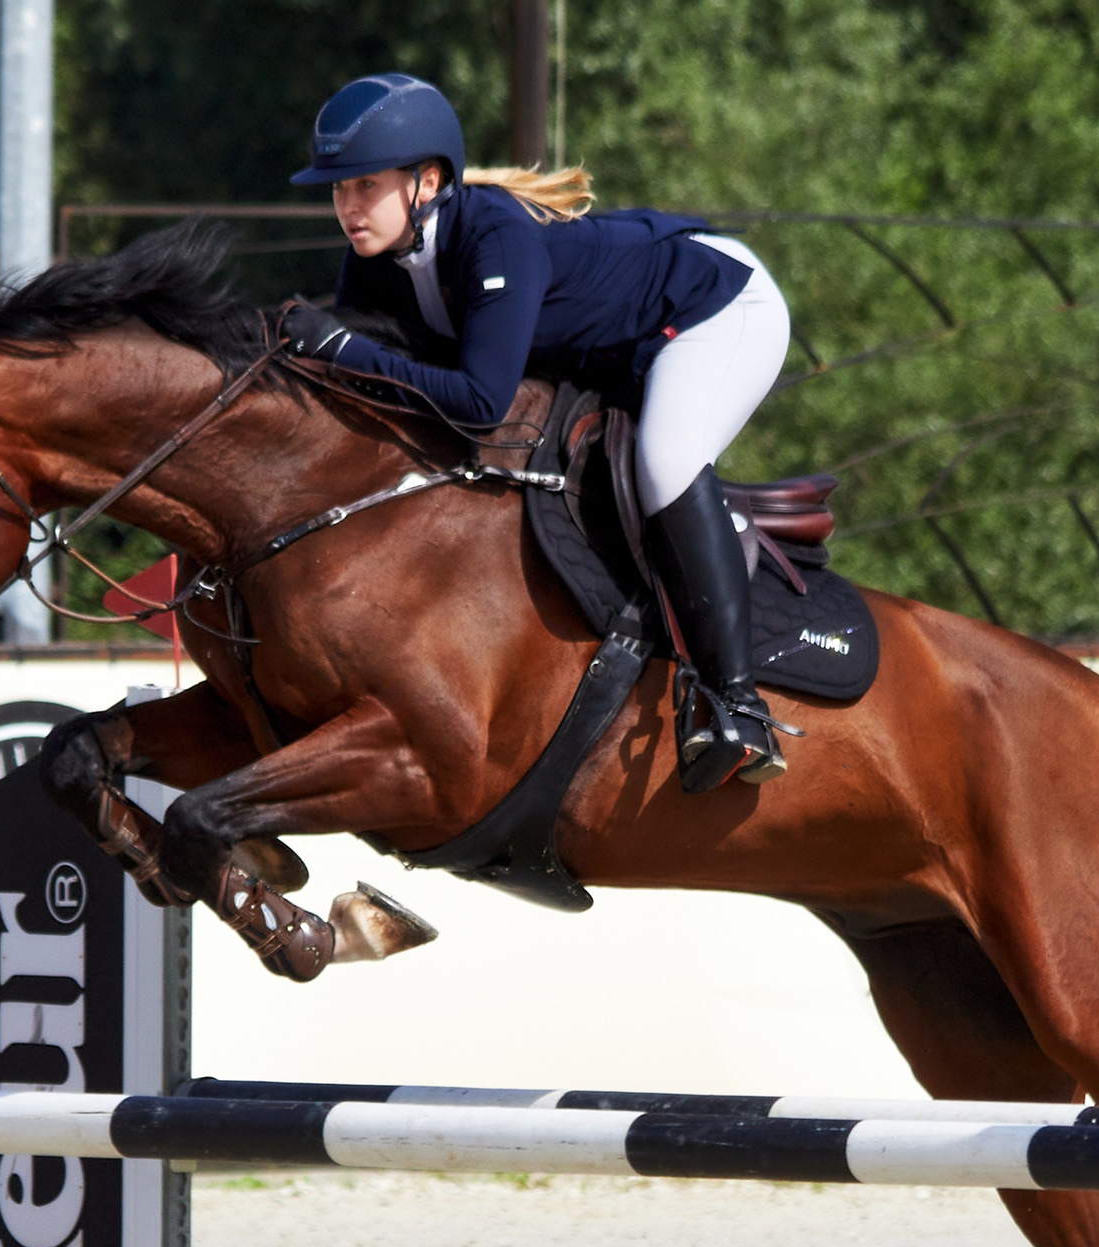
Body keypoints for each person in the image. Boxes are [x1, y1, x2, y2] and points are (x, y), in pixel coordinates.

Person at [281, 73, 797, 792]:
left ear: (426, 183)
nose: (347, 207)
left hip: (716, 310)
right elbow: (376, 386)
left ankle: (737, 705)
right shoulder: (375, 264)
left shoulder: (492, 236)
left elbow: (480, 400)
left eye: (364, 186)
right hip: (618, 346)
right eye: (338, 190)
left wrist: (337, 347)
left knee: (666, 457)